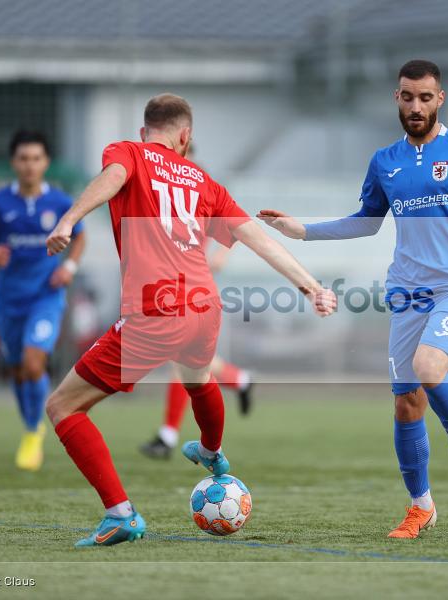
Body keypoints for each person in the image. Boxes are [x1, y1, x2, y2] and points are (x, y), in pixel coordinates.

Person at [259, 59, 448, 539]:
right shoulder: (385, 161)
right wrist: (302, 231)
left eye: (425, 97)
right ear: (396, 99)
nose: (415, 106)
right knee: (406, 406)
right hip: (408, 293)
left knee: (429, 368)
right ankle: (421, 507)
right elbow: (367, 219)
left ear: (441, 99)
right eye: (407, 96)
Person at [44, 93, 337, 547]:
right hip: (205, 307)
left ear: (146, 132)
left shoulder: (129, 152)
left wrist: (69, 219)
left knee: (62, 407)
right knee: (197, 377)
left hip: (156, 309)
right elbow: (256, 239)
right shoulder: (204, 181)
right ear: (186, 136)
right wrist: (312, 287)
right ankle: (212, 451)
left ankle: (120, 514)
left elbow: (113, 176)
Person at [0, 130, 85, 472]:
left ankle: (35, 431)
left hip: (46, 297)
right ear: (13, 162)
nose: (30, 165)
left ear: (46, 162)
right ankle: (31, 426)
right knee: (18, 369)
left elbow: (80, 237)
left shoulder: (61, 203)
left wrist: (70, 268)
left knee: (34, 363)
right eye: (23, 158)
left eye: (36, 158)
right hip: (9, 300)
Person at [139, 244, 254, 460]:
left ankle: (168, 436)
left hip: (195, 288)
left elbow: (230, 222)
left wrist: (221, 253)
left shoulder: (203, 213)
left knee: (181, 359)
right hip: (175, 285)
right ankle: (240, 379)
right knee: (189, 362)